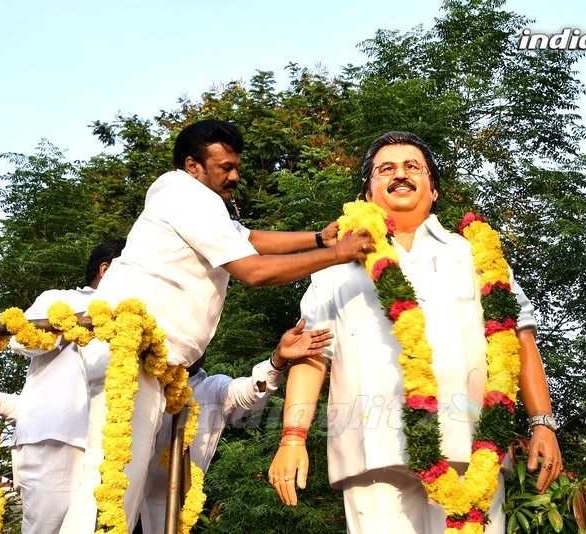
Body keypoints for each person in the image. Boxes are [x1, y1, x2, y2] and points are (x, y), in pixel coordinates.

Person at [61, 119, 374, 532]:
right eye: (224, 166)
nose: (235, 175)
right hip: (129, 356)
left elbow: (248, 238)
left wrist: (318, 238)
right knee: (108, 495)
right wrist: (339, 254)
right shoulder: (188, 197)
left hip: (150, 363)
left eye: (235, 166)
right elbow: (253, 270)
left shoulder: (194, 203)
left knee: (124, 494)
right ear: (193, 166)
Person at [268, 131, 562, 533]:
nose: (399, 175)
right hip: (371, 452)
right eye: (385, 169)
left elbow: (520, 337)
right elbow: (310, 352)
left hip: (471, 448)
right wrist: (291, 438)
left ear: (434, 188)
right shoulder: (335, 270)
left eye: (412, 167)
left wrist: (542, 422)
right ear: (367, 193)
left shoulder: (475, 256)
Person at [0, 238, 126, 534]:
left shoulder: (134, 317)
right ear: (106, 270)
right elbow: (20, 340)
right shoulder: (61, 300)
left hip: (107, 448)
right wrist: (81, 324)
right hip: (55, 439)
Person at [137, 319, 332, 533]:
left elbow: (250, 394)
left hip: (170, 519)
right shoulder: (132, 380)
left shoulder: (212, 390)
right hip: (110, 502)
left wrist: (277, 360)